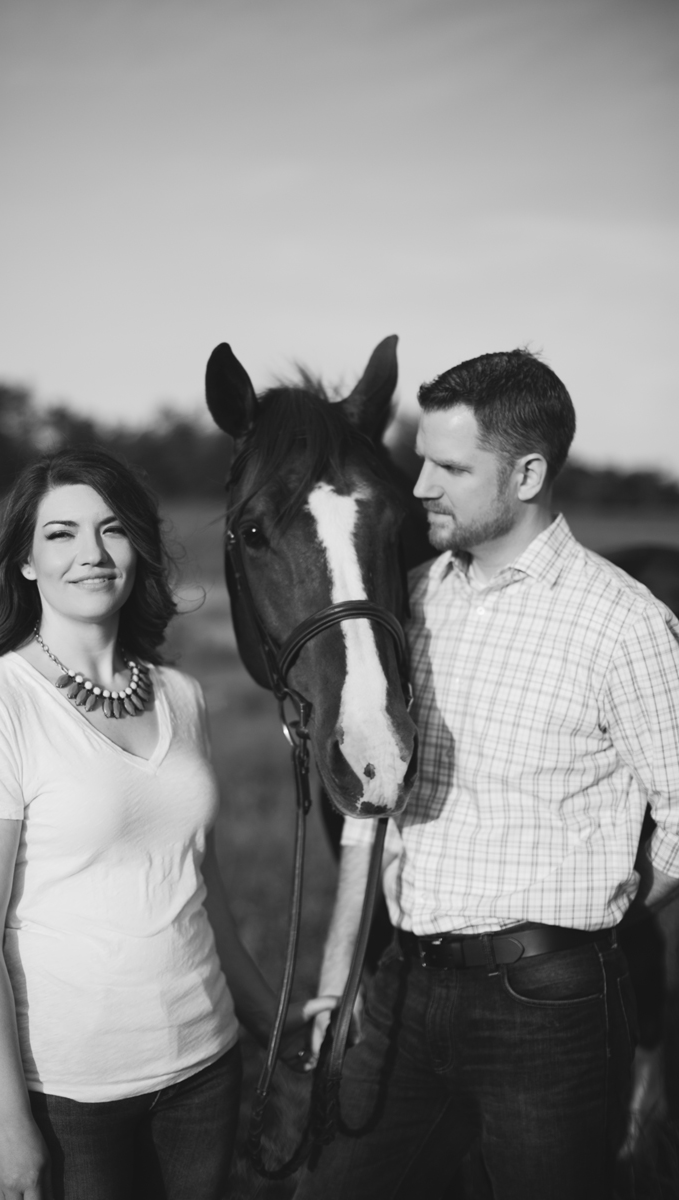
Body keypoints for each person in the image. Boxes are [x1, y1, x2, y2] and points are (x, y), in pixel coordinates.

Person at [296, 350, 679, 1199]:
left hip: (549, 1003)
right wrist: (344, 975)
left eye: (451, 467)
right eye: (422, 458)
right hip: (406, 987)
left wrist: (596, 911)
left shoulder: (625, 626)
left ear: (529, 472)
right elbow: (372, 789)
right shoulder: (412, 603)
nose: (420, 485)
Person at [0, 447, 332, 1200]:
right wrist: (5, 1122)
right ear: (24, 560)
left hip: (206, 1067)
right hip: (72, 1092)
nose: (92, 554)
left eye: (112, 530)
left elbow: (199, 889)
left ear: (137, 547)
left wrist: (268, 1021)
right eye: (61, 534)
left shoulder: (180, 695)